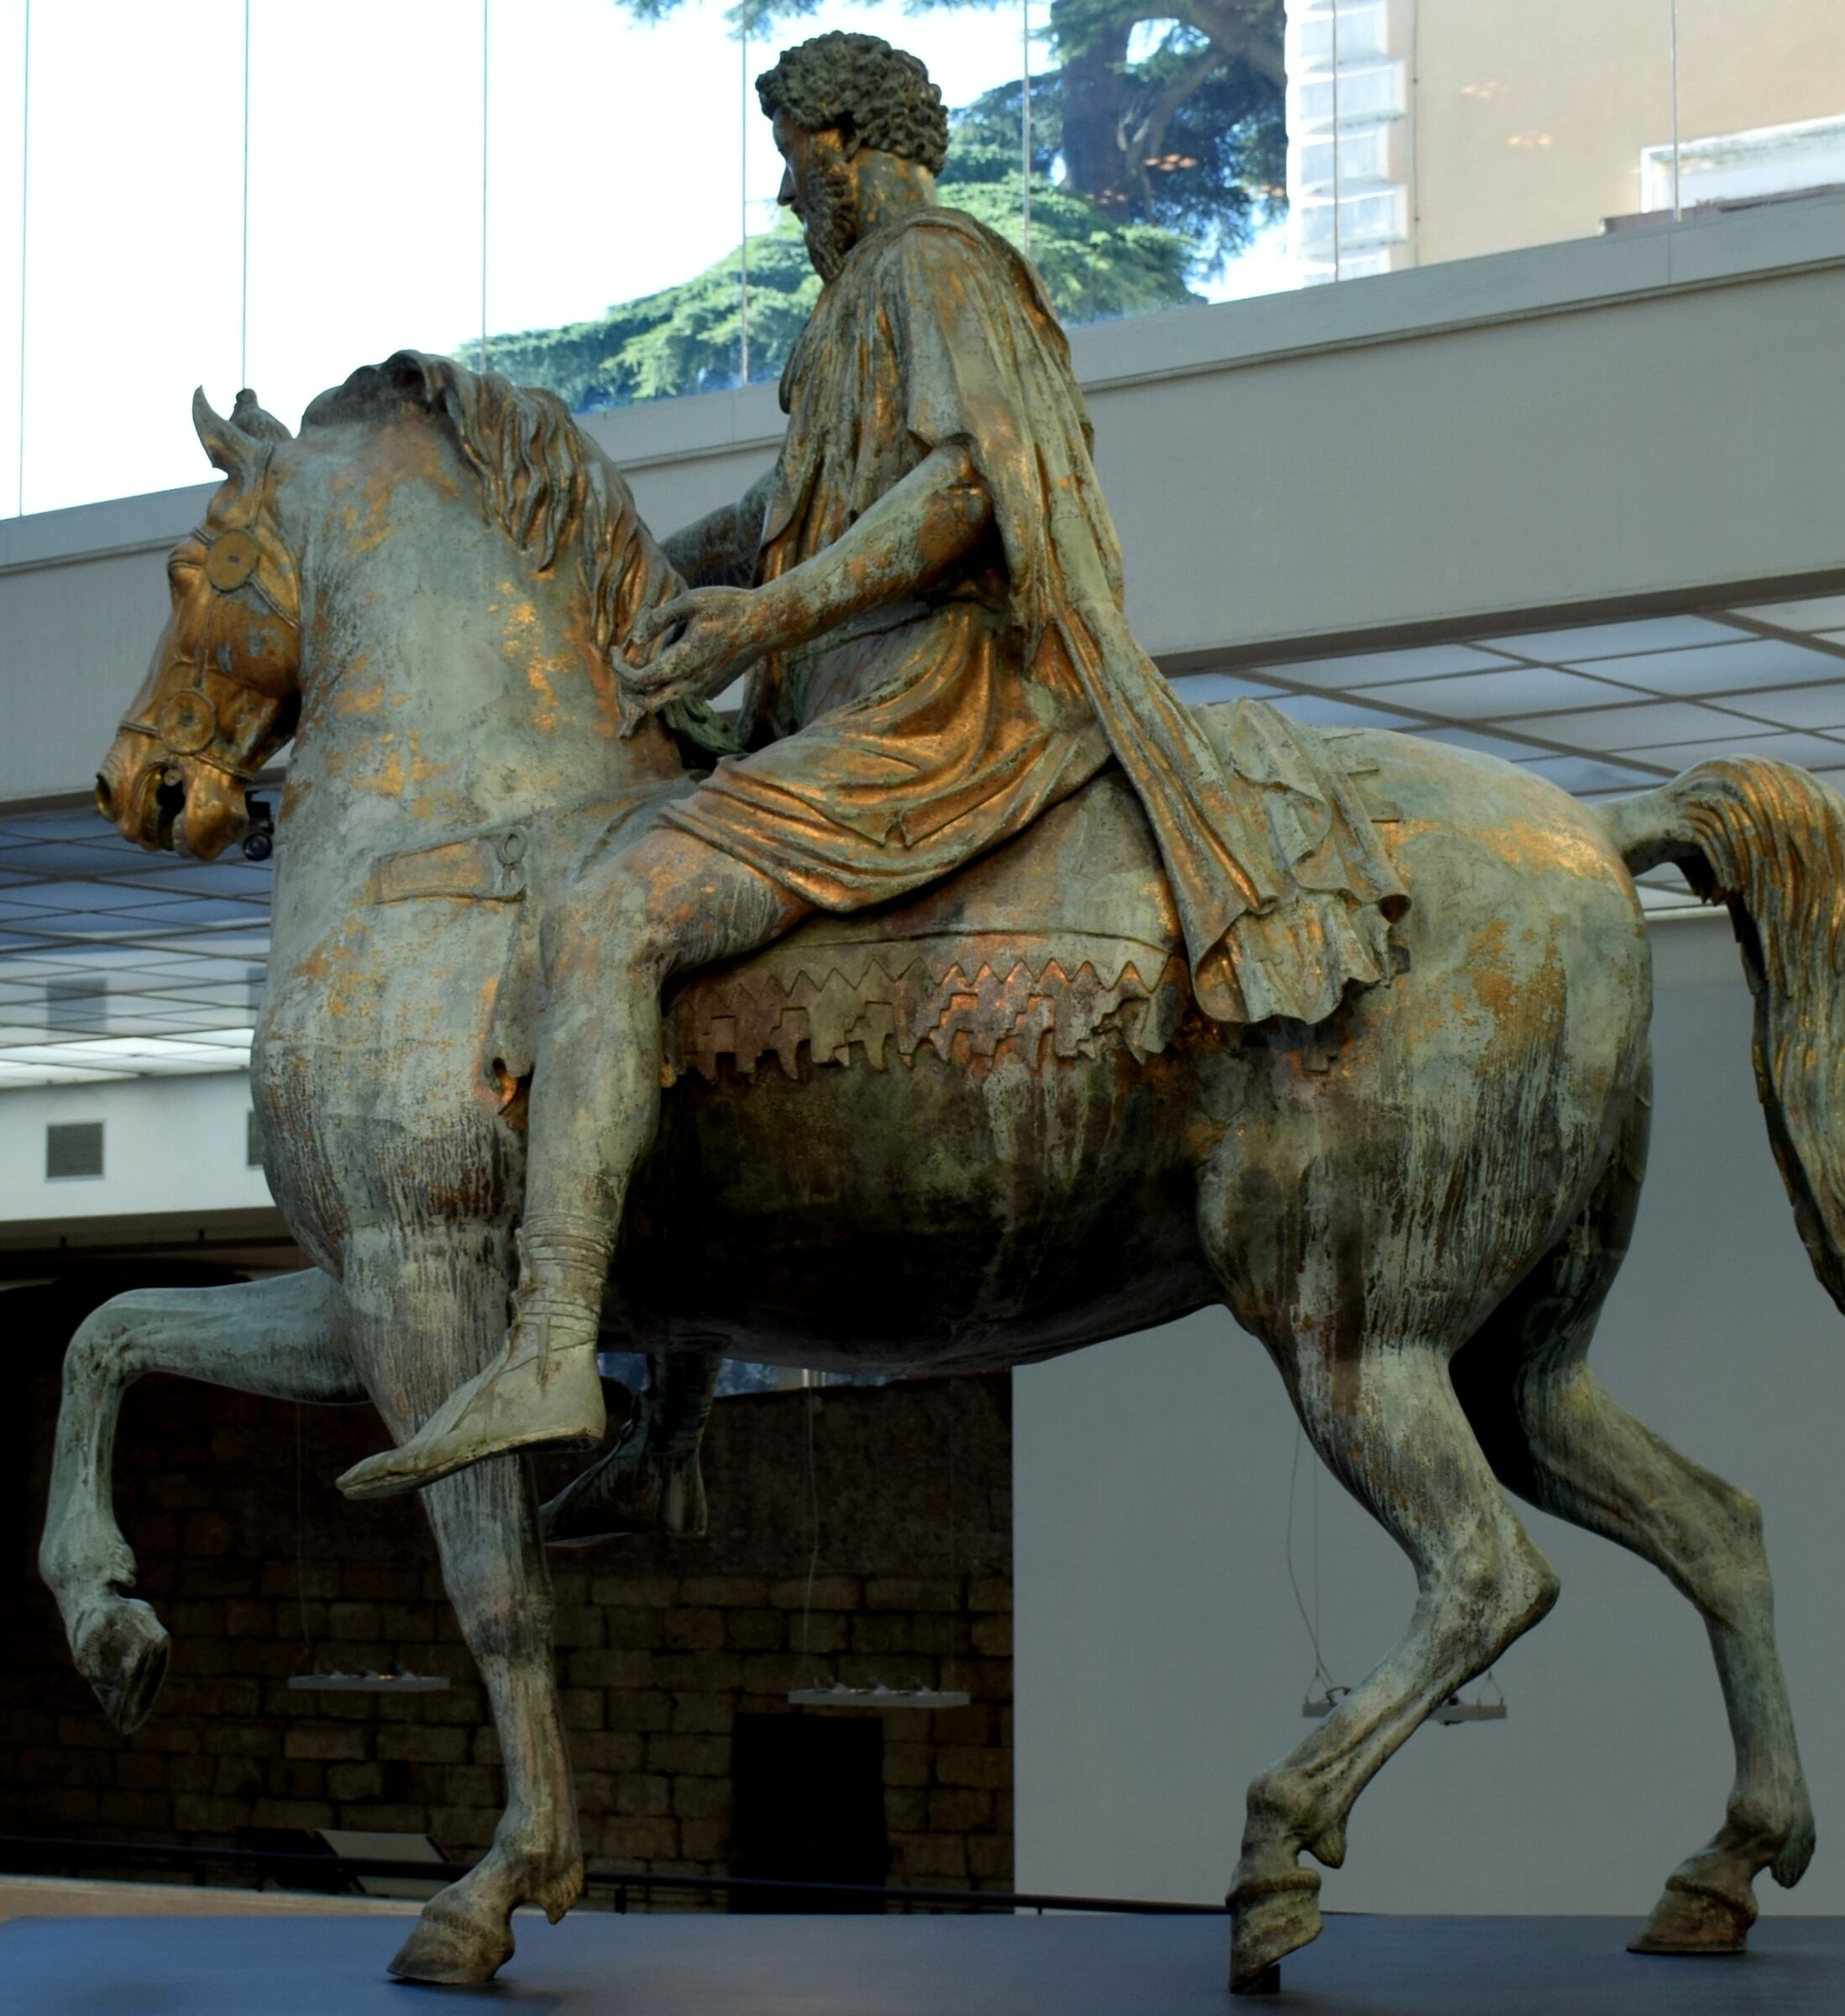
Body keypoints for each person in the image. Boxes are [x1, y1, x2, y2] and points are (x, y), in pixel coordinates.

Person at [338, 31, 1395, 1500]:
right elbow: (799, 503)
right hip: (858, 699)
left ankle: (554, 1343)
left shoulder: (932, 265)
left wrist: (765, 616)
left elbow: (964, 491)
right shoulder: (858, 314)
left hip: (928, 709)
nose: (784, 203)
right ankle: (675, 1409)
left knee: (611, 916)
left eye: (789, 166)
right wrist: (634, 576)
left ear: (838, 146)